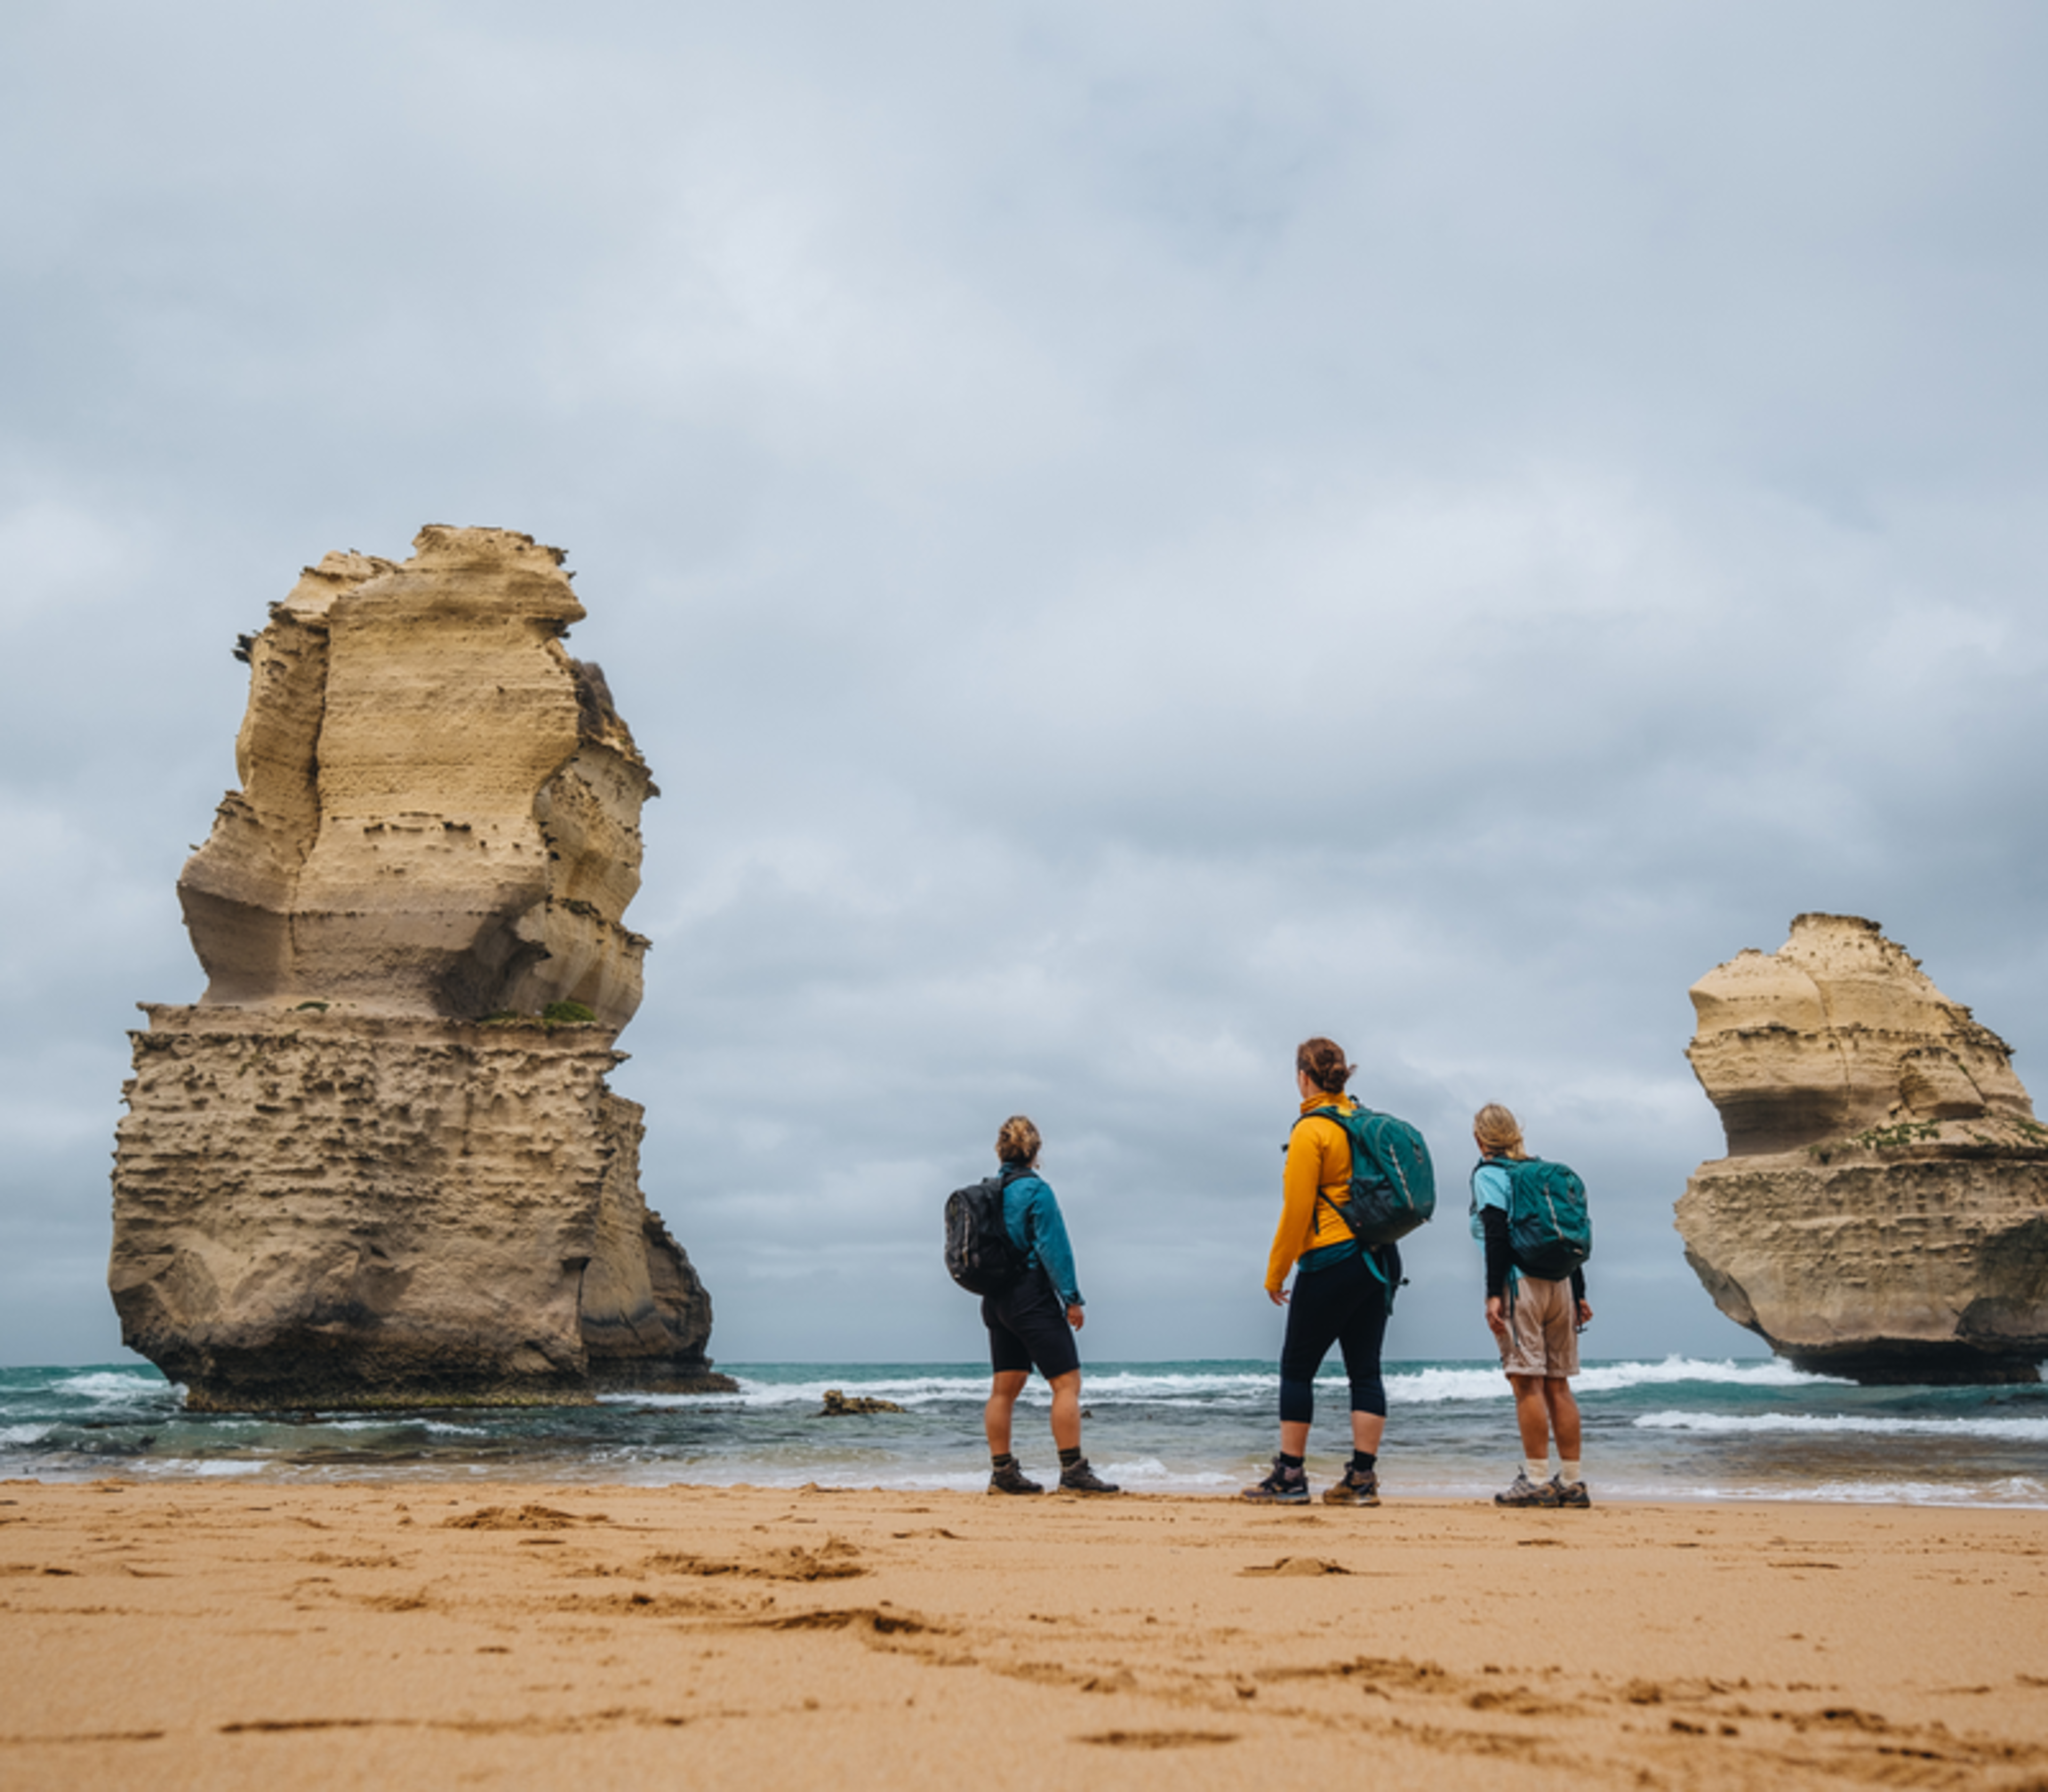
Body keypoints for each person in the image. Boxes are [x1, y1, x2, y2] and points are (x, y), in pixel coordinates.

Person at [1243, 1037, 1396, 1506]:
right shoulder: (1362, 1120)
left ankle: (1290, 1475)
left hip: (1332, 1257)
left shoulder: (1312, 1130)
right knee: (1365, 1369)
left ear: (1303, 1076)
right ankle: (1362, 1480)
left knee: (1297, 1368)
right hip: (1380, 1258)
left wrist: (1275, 1273)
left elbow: (1297, 1210)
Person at [979, 1115, 1119, 1496]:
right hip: (1031, 1297)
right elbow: (1054, 1250)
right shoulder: (1036, 1191)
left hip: (995, 1301)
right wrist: (1072, 1299)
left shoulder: (990, 1192)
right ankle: (1073, 1471)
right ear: (1035, 1152)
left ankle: (1001, 1474)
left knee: (1004, 1390)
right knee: (1067, 1383)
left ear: (1000, 1151)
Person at [1470, 1103, 1593, 1508]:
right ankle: (1572, 1482)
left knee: (1526, 1383)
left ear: (1480, 1139)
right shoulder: (1542, 1175)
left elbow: (1495, 1235)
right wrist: (1578, 1294)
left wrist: (1493, 1294)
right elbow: (1565, 1236)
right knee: (1559, 1383)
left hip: (1520, 1284)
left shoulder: (1490, 1174)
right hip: (1561, 1285)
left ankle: (1537, 1480)